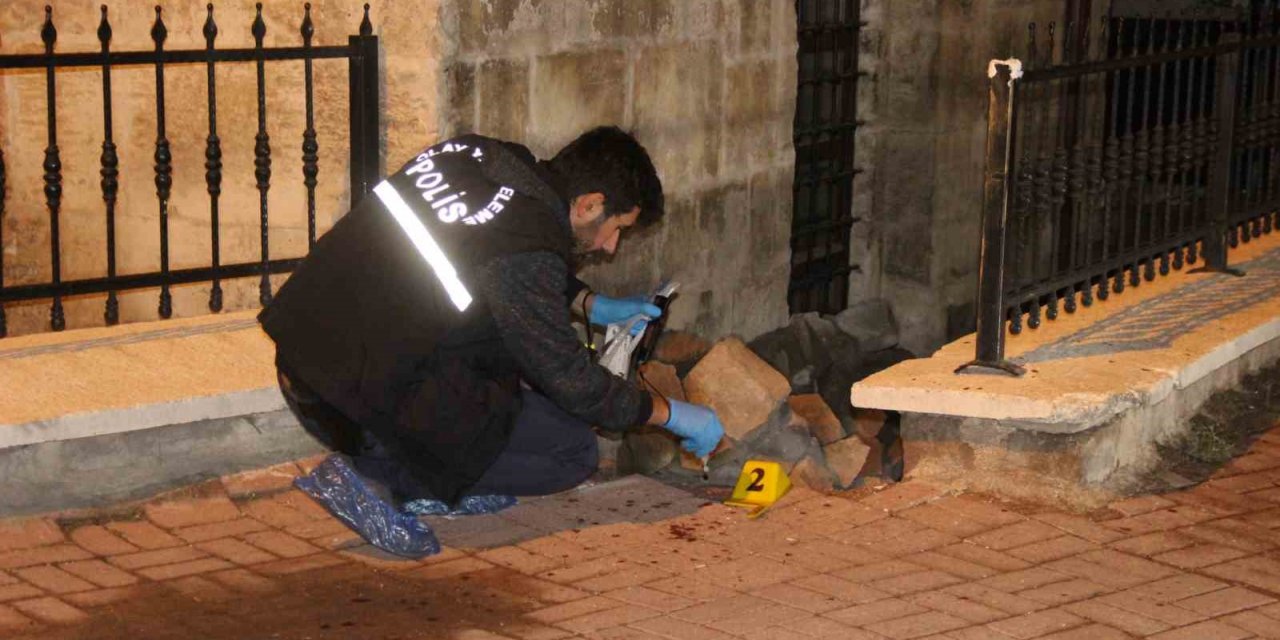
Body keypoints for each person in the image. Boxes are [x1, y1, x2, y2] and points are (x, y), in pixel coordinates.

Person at [258, 126, 725, 556]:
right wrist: (669, 414)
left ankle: (431, 477)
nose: (610, 247)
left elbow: (488, 252)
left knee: (506, 381)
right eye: (616, 228)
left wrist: (590, 305)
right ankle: (373, 478)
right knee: (571, 451)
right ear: (588, 204)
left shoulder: (485, 159)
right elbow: (571, 380)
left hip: (307, 355)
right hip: (350, 395)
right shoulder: (529, 247)